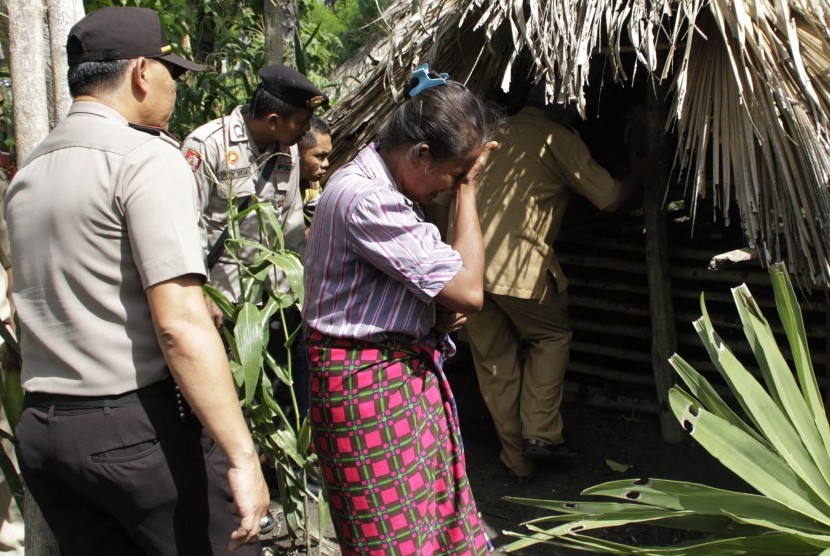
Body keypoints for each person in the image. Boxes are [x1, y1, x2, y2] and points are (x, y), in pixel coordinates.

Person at [5, 7, 269, 555]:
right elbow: (179, 325)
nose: (174, 85)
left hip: (45, 431)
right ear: (142, 72)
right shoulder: (145, 158)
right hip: (132, 430)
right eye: (172, 70)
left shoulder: (29, 171)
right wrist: (243, 455)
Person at [303, 63, 501, 555]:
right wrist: (470, 190)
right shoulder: (368, 199)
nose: (449, 187)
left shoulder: (386, 188)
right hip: (365, 385)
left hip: (394, 374)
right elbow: (469, 290)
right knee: (391, 539)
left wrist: (430, 314)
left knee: (430, 523)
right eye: (451, 175)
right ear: (421, 153)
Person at [462, 82, 659, 483]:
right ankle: (539, 431)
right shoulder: (556, 137)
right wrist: (637, 175)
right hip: (521, 271)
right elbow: (609, 199)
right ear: (566, 109)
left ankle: (517, 462)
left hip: (469, 271)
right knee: (551, 337)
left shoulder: (491, 133)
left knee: (496, 364)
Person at [182, 64, 326, 419]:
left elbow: (290, 221)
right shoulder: (208, 146)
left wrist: (299, 289)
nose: (307, 130)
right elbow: (183, 225)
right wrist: (198, 293)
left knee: (281, 395)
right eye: (301, 122)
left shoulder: (287, 150)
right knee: (230, 398)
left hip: (272, 302)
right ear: (274, 120)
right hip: (224, 306)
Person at [297, 116, 332, 227]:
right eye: (320, 156)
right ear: (297, 153)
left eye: (327, 156)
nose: (326, 164)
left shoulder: (313, 185)